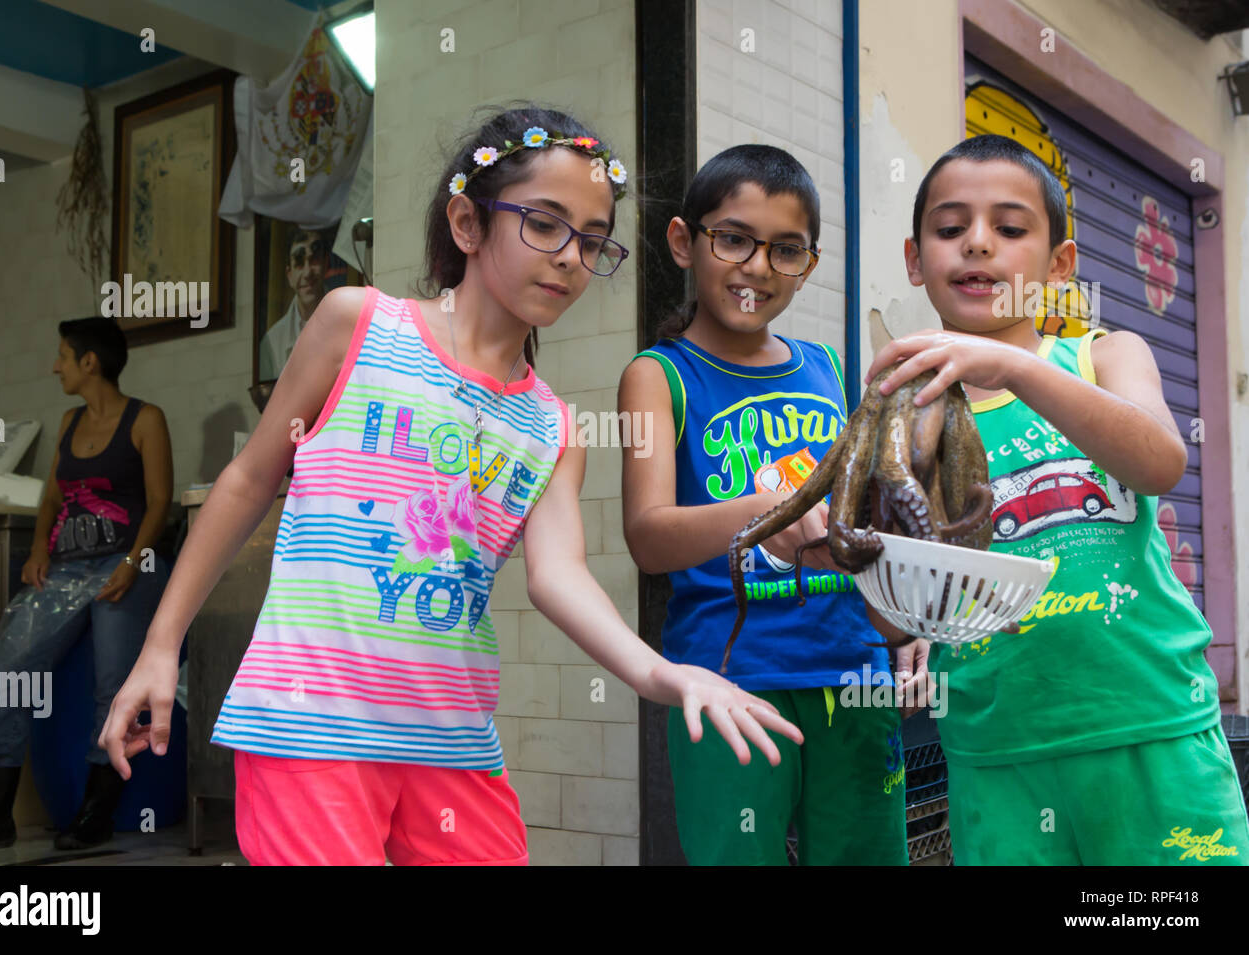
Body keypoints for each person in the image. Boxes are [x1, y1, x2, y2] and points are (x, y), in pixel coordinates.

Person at [99, 106, 804, 866]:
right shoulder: (357, 325)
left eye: (593, 239)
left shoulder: (554, 428)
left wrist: (661, 673)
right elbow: (247, 479)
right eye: (544, 223)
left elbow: (560, 576)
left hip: (452, 744)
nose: (571, 256)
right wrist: (160, 646)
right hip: (309, 726)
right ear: (467, 223)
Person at [863, 133, 1249, 865]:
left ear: (1059, 263)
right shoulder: (904, 413)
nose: (978, 245)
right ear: (916, 259)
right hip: (996, 748)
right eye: (950, 229)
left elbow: (1161, 460)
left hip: (1153, 726)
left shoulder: (1105, 356)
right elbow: (893, 610)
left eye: (1010, 229)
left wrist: (1013, 366)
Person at [619, 145, 921, 865]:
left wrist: (901, 617)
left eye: (784, 250)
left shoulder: (827, 367)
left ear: (808, 265)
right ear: (685, 242)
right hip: (731, 680)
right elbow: (648, 536)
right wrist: (770, 510)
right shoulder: (658, 375)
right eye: (734, 239)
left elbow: (859, 517)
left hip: (853, 669)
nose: (756, 266)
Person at [0, 317, 175, 852]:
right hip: (68, 570)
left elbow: (161, 501)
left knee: (112, 683)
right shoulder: (70, 421)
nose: (56, 366)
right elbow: (51, 498)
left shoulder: (146, 420)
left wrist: (132, 562)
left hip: (126, 564)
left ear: (88, 361)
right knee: (10, 668)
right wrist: (37, 551)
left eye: (63, 356)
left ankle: (96, 810)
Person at [258, 226, 333, 380]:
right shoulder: (272, 342)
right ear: (289, 275)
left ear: (326, 264)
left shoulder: (348, 322)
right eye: (299, 263)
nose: (307, 273)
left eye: (314, 260)